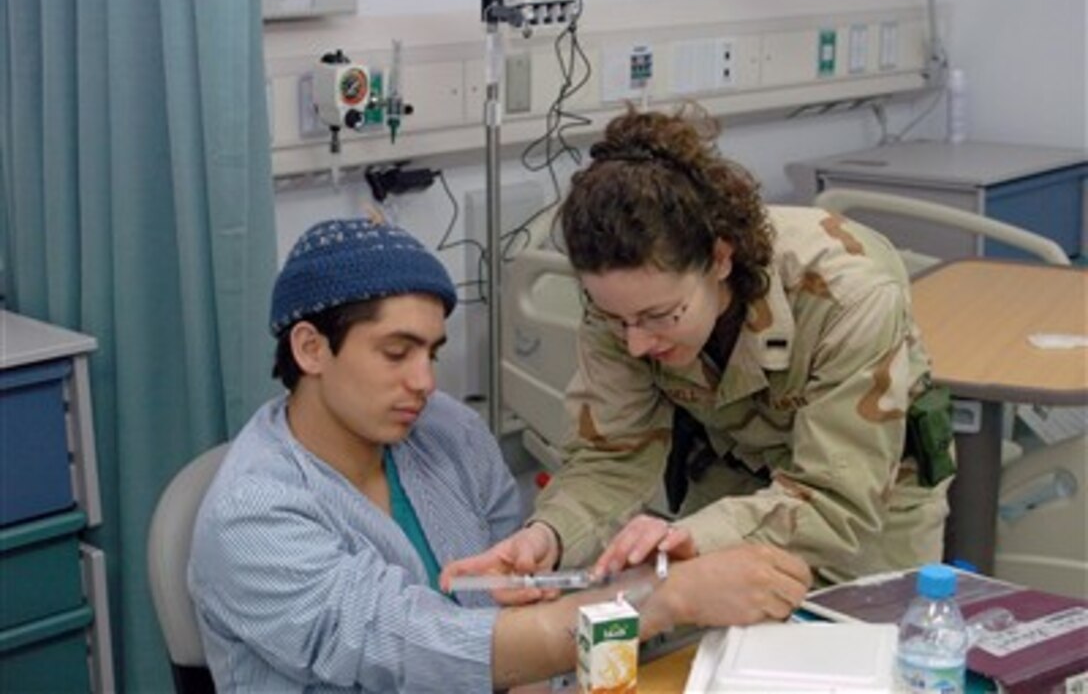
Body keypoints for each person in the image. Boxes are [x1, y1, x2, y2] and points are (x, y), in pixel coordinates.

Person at [188, 215, 812, 693]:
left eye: (431, 353)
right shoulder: (253, 519)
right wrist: (659, 598)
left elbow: (524, 609)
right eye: (396, 352)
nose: (425, 382)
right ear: (311, 349)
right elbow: (417, 647)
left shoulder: (445, 433)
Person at [445, 106, 953, 591]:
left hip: (867, 505)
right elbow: (612, 459)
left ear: (720, 259)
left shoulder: (847, 296)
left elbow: (837, 498)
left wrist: (697, 539)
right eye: (618, 320)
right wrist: (549, 537)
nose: (638, 342)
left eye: (660, 317)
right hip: (733, 484)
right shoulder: (623, 308)